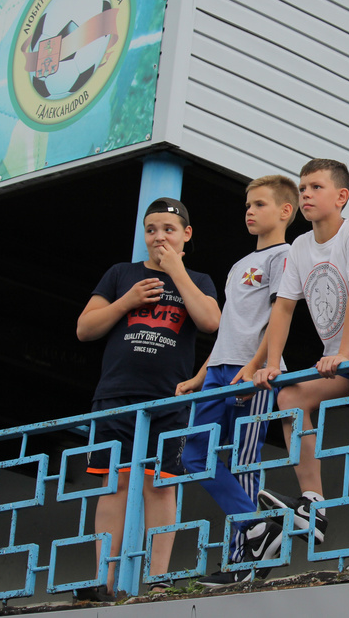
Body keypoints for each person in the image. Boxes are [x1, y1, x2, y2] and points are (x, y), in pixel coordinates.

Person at [246, 159, 349, 566]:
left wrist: (344, 352)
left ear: (341, 196)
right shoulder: (300, 246)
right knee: (290, 397)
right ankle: (313, 503)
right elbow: (283, 307)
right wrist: (273, 362)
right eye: (302, 188)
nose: (306, 195)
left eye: (316, 187)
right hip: (342, 362)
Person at [76, 198, 221, 597]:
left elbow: (211, 321)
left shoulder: (198, 279)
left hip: (168, 400)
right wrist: (127, 301)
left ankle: (158, 578)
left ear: (186, 235)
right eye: (151, 230)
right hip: (116, 396)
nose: (159, 237)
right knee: (115, 485)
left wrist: (176, 271)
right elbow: (85, 328)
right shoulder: (121, 274)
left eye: (168, 230)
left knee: (161, 485)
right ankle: (103, 581)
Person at [175, 176, 298, 586]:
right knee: (194, 456)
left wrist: (256, 365)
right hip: (218, 371)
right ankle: (257, 523)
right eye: (248, 204)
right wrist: (200, 375)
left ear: (285, 211)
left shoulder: (285, 256)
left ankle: (241, 564)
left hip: (253, 372)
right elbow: (228, 327)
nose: (249, 211)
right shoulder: (237, 265)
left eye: (260, 204)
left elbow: (279, 318)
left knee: (245, 461)